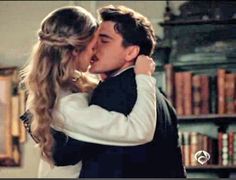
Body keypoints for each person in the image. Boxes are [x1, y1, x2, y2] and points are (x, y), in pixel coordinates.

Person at [20, 6, 157, 178]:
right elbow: (139, 131)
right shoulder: (67, 107)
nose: (96, 52)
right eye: (93, 47)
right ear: (76, 51)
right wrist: (144, 76)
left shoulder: (57, 88)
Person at [51, 5, 186, 178]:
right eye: (94, 39)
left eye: (104, 40)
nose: (93, 47)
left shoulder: (110, 91)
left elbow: (65, 155)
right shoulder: (162, 100)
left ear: (131, 52)